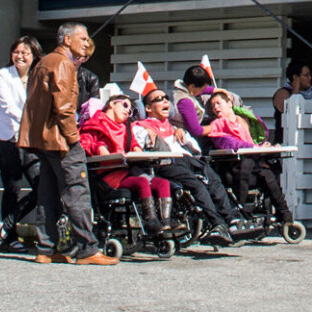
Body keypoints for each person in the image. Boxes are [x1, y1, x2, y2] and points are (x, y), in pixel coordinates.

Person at [17, 22, 117, 266]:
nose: (85, 42)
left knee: (47, 194)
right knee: (77, 192)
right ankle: (87, 248)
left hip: (44, 140)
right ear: (66, 39)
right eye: (81, 38)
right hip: (61, 140)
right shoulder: (63, 63)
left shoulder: (44, 62)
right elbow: (63, 108)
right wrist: (74, 139)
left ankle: (46, 248)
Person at [134, 89, 236, 245]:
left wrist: (183, 135)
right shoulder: (140, 127)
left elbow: (196, 149)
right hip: (165, 162)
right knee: (196, 185)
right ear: (148, 108)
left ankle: (232, 222)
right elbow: (138, 149)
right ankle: (217, 224)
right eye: (159, 99)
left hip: (188, 159)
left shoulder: (174, 128)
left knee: (214, 180)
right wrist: (149, 136)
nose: (165, 101)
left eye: (166, 98)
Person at [80, 95, 171, 235]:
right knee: (141, 182)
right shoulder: (96, 124)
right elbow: (90, 146)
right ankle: (150, 221)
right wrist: (101, 150)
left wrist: (137, 151)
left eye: (130, 110)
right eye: (124, 105)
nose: (128, 111)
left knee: (163, 183)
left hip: (127, 170)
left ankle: (166, 223)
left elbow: (134, 145)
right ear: (111, 104)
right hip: (107, 174)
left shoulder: (125, 128)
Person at [207, 90, 294, 224]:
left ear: (229, 103)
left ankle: (285, 216)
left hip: (253, 162)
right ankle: (239, 214)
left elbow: (252, 142)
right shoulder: (217, 125)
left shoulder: (243, 120)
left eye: (218, 103)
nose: (215, 108)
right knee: (247, 164)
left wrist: (263, 147)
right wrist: (256, 149)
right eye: (213, 106)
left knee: (268, 174)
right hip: (233, 165)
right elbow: (230, 143)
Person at [0, 36, 43, 252]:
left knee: (41, 186)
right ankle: (9, 239)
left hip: (31, 141)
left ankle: (8, 222)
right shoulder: (2, 75)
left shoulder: (37, 77)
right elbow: (7, 106)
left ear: (34, 56)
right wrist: (33, 121)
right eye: (17, 52)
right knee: (12, 187)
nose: (20, 56)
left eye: (25, 53)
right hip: (7, 138)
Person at [271, 59, 312, 143]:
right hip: (286, 142)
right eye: (306, 75)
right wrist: (296, 88)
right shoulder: (283, 92)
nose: (310, 78)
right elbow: (286, 109)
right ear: (295, 77)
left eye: (310, 75)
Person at [75, 38, 100, 113]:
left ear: (86, 59)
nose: (72, 58)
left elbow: (94, 108)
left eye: (78, 56)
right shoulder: (58, 72)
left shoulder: (91, 79)